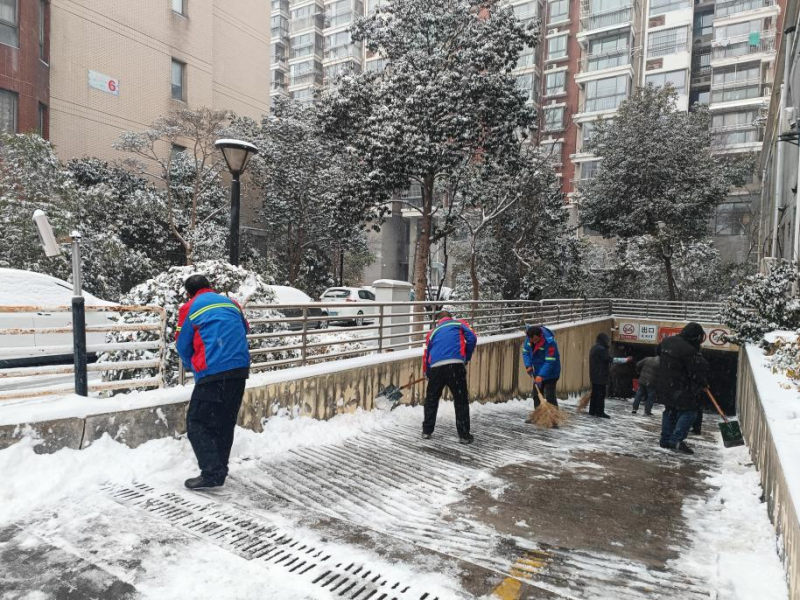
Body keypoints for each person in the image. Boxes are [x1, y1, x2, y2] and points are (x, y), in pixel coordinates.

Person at [176, 274, 251, 489]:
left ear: (188, 293)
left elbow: (182, 344)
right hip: (239, 369)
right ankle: (218, 472)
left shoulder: (189, 307)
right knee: (225, 422)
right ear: (210, 286)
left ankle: (211, 473)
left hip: (213, 371)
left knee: (196, 423)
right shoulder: (231, 303)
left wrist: (193, 365)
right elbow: (244, 328)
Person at [421, 310, 478, 444]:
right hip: (455, 366)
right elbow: (472, 338)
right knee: (461, 400)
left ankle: (427, 431)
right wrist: (466, 356)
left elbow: (427, 354)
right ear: (450, 317)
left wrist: (427, 372)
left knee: (431, 400)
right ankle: (464, 435)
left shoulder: (432, 332)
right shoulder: (458, 324)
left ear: (438, 321)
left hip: (436, 368)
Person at [657, 322, 709, 455]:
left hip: (664, 384)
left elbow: (658, 354)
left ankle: (665, 440)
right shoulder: (689, 350)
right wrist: (703, 384)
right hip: (680, 387)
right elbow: (694, 372)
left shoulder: (666, 341)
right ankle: (676, 439)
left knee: (670, 410)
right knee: (690, 411)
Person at [588, 333, 632, 418]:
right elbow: (610, 359)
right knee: (600, 394)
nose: (609, 343)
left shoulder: (595, 347)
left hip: (594, 374)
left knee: (595, 394)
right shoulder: (601, 349)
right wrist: (625, 360)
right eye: (607, 341)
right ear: (603, 340)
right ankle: (600, 412)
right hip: (600, 375)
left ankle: (592, 411)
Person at [522, 325, 561, 408]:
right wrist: (528, 365)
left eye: (535, 339)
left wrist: (541, 375)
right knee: (536, 395)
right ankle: (538, 414)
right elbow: (526, 352)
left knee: (550, 396)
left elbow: (550, 361)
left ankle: (553, 415)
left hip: (551, 373)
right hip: (537, 371)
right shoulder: (530, 337)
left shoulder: (550, 342)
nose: (533, 342)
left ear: (540, 335)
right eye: (531, 340)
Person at [632, 348, 660, 416]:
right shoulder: (661, 363)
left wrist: (639, 372)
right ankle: (647, 411)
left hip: (642, 379)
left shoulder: (647, 359)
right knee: (650, 396)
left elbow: (638, 364)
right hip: (652, 382)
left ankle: (634, 409)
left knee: (638, 394)